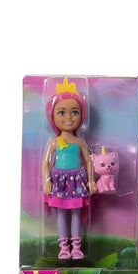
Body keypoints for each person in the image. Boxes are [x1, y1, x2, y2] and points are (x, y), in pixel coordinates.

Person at [42, 78, 97, 259]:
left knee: (76, 213)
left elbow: (89, 161)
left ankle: (76, 247)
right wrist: (46, 181)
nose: (69, 117)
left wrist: (91, 181)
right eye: (62, 112)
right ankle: (63, 248)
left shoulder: (79, 142)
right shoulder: (54, 142)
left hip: (77, 180)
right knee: (61, 213)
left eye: (74, 112)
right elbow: (45, 162)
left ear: (81, 115)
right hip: (59, 181)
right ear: (52, 116)